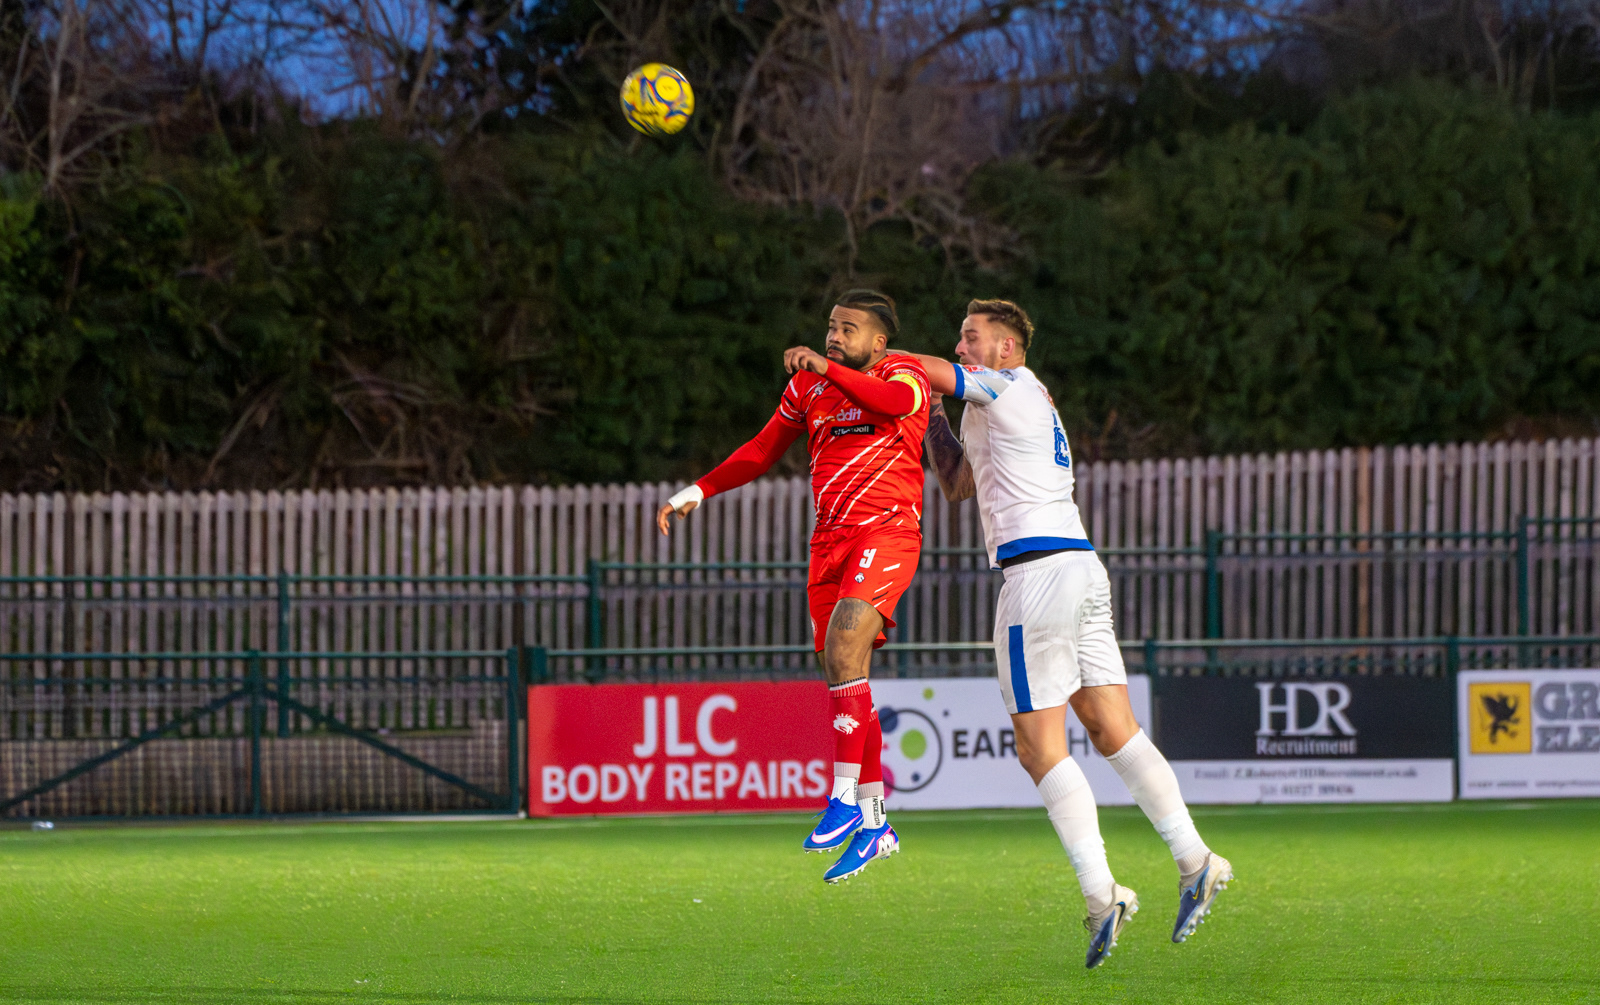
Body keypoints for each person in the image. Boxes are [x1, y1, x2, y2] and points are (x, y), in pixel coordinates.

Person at [909, 300, 1232, 968]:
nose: (960, 345)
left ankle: (1101, 894)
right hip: (1079, 568)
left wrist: (880, 360)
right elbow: (958, 484)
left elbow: (932, 370)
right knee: (1114, 730)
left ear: (1006, 348)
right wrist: (929, 413)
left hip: (1038, 578)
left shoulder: (1007, 385)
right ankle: (1196, 859)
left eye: (971, 337)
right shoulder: (1001, 401)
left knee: (1038, 748)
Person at [657, 290, 931, 884]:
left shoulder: (902, 373)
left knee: (844, 648)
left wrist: (826, 365)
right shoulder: (808, 388)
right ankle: (875, 825)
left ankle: (842, 798)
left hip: (886, 532)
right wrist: (698, 490)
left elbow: (891, 403)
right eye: (831, 326)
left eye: (849, 329)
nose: (835, 335)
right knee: (845, 672)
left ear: (879, 341)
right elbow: (761, 450)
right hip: (827, 543)